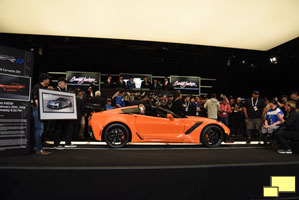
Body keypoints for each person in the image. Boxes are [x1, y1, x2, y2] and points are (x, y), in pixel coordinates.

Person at [53, 77, 77, 150]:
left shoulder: (66, 91)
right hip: (57, 114)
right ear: (59, 83)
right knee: (58, 128)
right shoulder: (55, 90)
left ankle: (68, 143)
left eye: (66, 83)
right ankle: (56, 144)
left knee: (69, 127)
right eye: (64, 82)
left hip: (66, 113)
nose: (65, 84)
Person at [32, 73, 52, 155]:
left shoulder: (44, 88)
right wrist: (41, 111)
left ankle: (37, 147)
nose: (49, 80)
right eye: (48, 79)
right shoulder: (37, 87)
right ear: (44, 79)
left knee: (39, 130)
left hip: (41, 111)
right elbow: (36, 100)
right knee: (39, 130)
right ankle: (39, 149)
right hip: (38, 110)